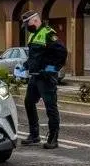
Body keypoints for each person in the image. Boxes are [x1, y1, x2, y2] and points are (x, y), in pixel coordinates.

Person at [20, 11, 68, 149]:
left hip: (46, 77)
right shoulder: (33, 35)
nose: (26, 27)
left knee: (50, 107)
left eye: (27, 23)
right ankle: (34, 135)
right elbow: (34, 57)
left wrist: (52, 68)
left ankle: (53, 138)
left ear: (35, 21)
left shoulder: (48, 34)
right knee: (29, 102)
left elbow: (62, 52)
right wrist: (24, 67)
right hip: (35, 76)